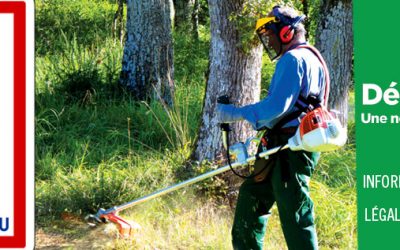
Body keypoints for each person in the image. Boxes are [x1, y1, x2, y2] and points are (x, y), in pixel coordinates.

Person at [216, 5, 330, 250]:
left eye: (271, 34)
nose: (269, 40)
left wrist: (234, 113)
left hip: (291, 148)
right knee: (251, 199)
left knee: (296, 214)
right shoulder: (312, 57)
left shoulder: (294, 59)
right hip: (281, 146)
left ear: (286, 33)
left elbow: (276, 108)